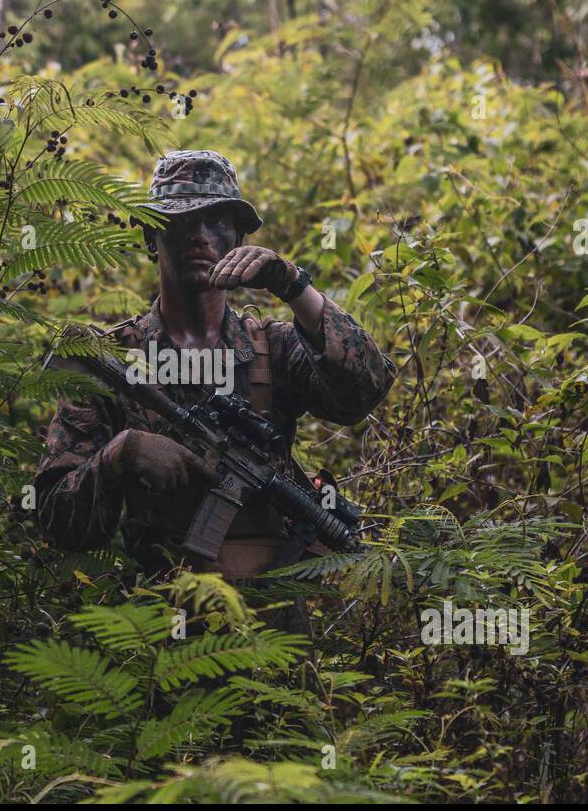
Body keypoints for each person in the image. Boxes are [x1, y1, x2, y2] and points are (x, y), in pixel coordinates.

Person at [35, 150, 394, 618]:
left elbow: (363, 392)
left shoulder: (275, 347)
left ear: (241, 238)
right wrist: (121, 453)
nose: (202, 238)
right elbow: (57, 521)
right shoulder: (111, 362)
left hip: (274, 619)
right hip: (158, 624)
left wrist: (295, 287)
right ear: (150, 236)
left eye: (219, 222)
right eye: (182, 222)